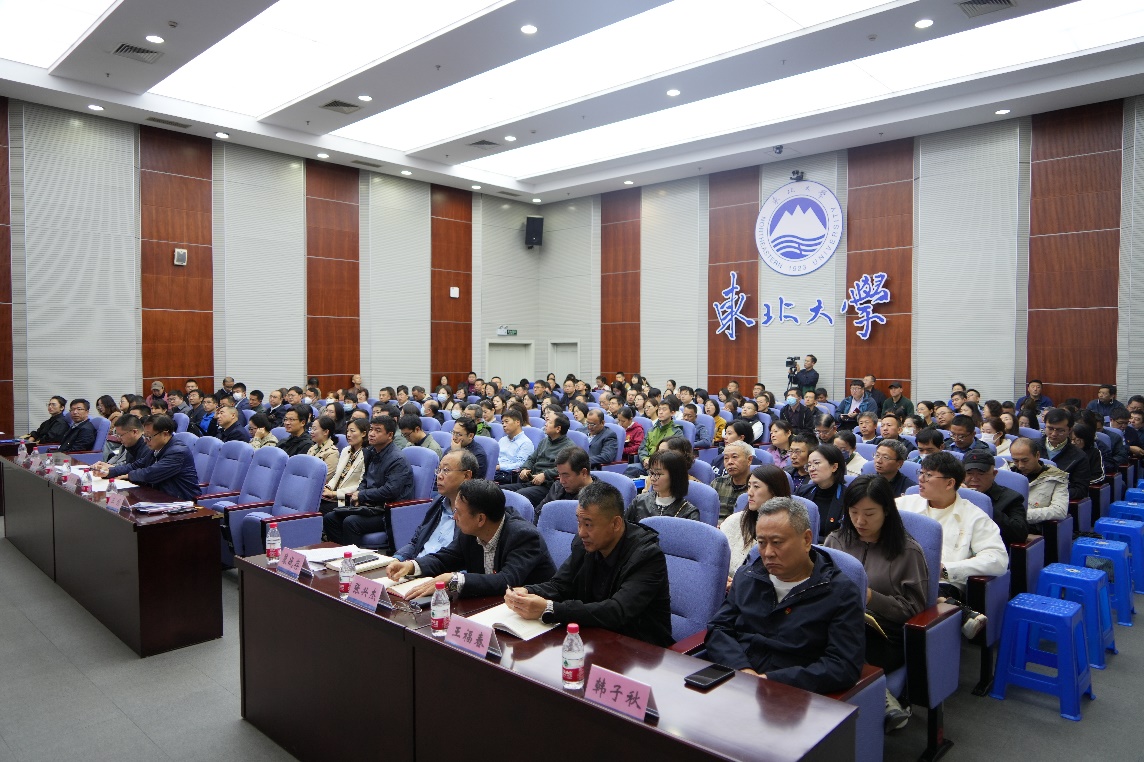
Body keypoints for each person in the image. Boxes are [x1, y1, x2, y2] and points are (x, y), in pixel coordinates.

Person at [705, 496, 864, 693]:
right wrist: (743, 670)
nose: (768, 553)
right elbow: (719, 628)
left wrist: (770, 680)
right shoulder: (747, 577)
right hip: (737, 679)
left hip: (792, 693)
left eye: (777, 542)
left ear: (806, 540)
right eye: (761, 543)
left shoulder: (840, 593)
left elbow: (842, 665)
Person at [505, 481, 673, 647]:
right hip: (594, 638)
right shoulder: (585, 544)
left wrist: (550, 609)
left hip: (641, 649)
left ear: (615, 524)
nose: (581, 532)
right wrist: (526, 592)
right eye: (579, 522)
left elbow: (616, 611)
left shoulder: (647, 556)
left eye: (588, 524)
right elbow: (560, 585)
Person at [825, 475, 927, 730]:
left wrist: (870, 597)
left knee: (837, 644)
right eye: (854, 512)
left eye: (869, 513)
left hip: (884, 634)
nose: (860, 521)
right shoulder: (836, 541)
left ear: (887, 511)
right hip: (837, 622)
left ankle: (878, 698)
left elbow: (914, 611)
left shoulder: (908, 551)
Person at [897, 453, 1007, 638]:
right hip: (900, 575)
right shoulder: (904, 505)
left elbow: (998, 559)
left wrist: (946, 569)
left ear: (949, 483)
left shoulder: (974, 516)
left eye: (929, 475)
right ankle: (950, 606)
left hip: (943, 583)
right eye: (921, 473)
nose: (921, 479)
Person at [387, 479, 555, 599]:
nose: (454, 517)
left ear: (480, 519)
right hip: (489, 604)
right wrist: (411, 566)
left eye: (458, 512)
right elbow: (446, 558)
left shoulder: (524, 536)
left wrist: (453, 579)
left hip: (532, 616)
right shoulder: (470, 531)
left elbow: (506, 581)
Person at [322, 416, 415, 549]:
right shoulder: (371, 452)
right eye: (371, 429)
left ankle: (354, 558)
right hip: (371, 505)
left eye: (378, 430)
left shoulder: (397, 460)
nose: (371, 433)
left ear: (390, 435)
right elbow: (365, 479)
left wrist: (362, 495)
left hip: (387, 510)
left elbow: (390, 491)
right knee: (330, 518)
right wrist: (359, 494)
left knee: (350, 522)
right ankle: (344, 552)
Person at [387, 450, 476, 560]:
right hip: (416, 564)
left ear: (466, 476)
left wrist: (416, 566)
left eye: (446, 470)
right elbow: (415, 542)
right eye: (439, 470)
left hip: (439, 569)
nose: (439, 476)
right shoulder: (438, 502)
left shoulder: (473, 513)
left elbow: (459, 560)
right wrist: (397, 559)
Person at [93, 415, 200, 500]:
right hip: (161, 497)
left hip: (181, 502)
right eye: (145, 436)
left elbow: (151, 473)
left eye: (149, 437)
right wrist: (109, 472)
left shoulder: (178, 452)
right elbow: (136, 465)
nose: (145, 440)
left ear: (165, 434)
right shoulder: (157, 448)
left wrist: (128, 475)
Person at [720, 464, 791, 584]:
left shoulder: (790, 528)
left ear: (774, 491)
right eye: (749, 486)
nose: (749, 492)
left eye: (756, 487)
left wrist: (740, 585)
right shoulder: (734, 521)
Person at [505, 413, 574, 506]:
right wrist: (525, 469)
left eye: (549, 422)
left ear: (558, 428)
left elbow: (565, 469)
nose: (545, 424)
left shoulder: (569, 448)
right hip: (531, 481)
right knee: (500, 490)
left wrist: (545, 475)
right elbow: (531, 459)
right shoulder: (544, 441)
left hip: (548, 486)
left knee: (518, 496)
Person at [961, 450, 1027, 546]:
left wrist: (983, 505)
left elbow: (1020, 534)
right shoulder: (956, 494)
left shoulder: (1011, 498)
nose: (974, 478)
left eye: (981, 474)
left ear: (994, 474)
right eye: (969, 473)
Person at [1009, 438, 1069, 533]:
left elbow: (1059, 511)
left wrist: (1020, 516)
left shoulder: (1057, 478)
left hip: (1034, 528)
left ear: (1037, 455)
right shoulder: (1005, 474)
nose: (1020, 466)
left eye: (1025, 460)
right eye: (1015, 461)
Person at [625, 450, 700, 523]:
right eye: (651, 473)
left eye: (658, 474)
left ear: (675, 476)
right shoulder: (639, 501)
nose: (652, 478)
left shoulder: (688, 513)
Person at [797, 443, 848, 538]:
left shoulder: (848, 497)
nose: (811, 469)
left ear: (834, 467)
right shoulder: (802, 492)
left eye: (816, 463)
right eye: (809, 465)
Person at [321, 418, 368, 513]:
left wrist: (334, 493)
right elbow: (336, 476)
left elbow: (360, 485)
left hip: (348, 499)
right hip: (334, 494)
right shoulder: (346, 450)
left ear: (363, 434)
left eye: (352, 431)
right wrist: (328, 487)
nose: (348, 435)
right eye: (347, 431)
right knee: (312, 502)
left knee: (319, 509)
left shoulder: (367, 455)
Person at [1042, 408, 1090, 500]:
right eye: (1050, 429)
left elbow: (1081, 490)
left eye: (1060, 430)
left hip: (1060, 501)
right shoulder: (1032, 447)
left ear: (1070, 430)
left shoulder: (1079, 456)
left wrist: (1052, 493)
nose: (1054, 434)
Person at [627, 401, 684, 477]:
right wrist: (645, 459)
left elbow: (674, 454)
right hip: (647, 464)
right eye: (659, 409)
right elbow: (642, 447)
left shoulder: (676, 432)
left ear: (672, 413)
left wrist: (655, 463)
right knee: (629, 469)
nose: (660, 412)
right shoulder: (652, 429)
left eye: (664, 409)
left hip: (663, 466)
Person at [536, 447, 598, 515]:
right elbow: (538, 514)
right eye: (559, 475)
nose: (561, 481)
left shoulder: (599, 499)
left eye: (566, 475)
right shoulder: (557, 487)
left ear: (583, 473)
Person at [712, 440, 753, 522]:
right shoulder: (717, 483)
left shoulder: (756, 488)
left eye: (734, 457)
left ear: (749, 460)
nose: (730, 462)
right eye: (726, 458)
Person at [1070, 423, 1105, 487]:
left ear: (1086, 439)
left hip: (1085, 487)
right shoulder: (1065, 451)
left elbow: (1099, 476)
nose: (1072, 443)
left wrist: (1081, 483)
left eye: (1077, 440)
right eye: (1071, 439)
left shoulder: (1094, 453)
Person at [308, 416, 341, 483]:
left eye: (315, 429)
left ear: (325, 432)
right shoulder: (313, 448)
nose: (311, 432)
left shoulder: (332, 453)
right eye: (311, 428)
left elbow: (325, 477)